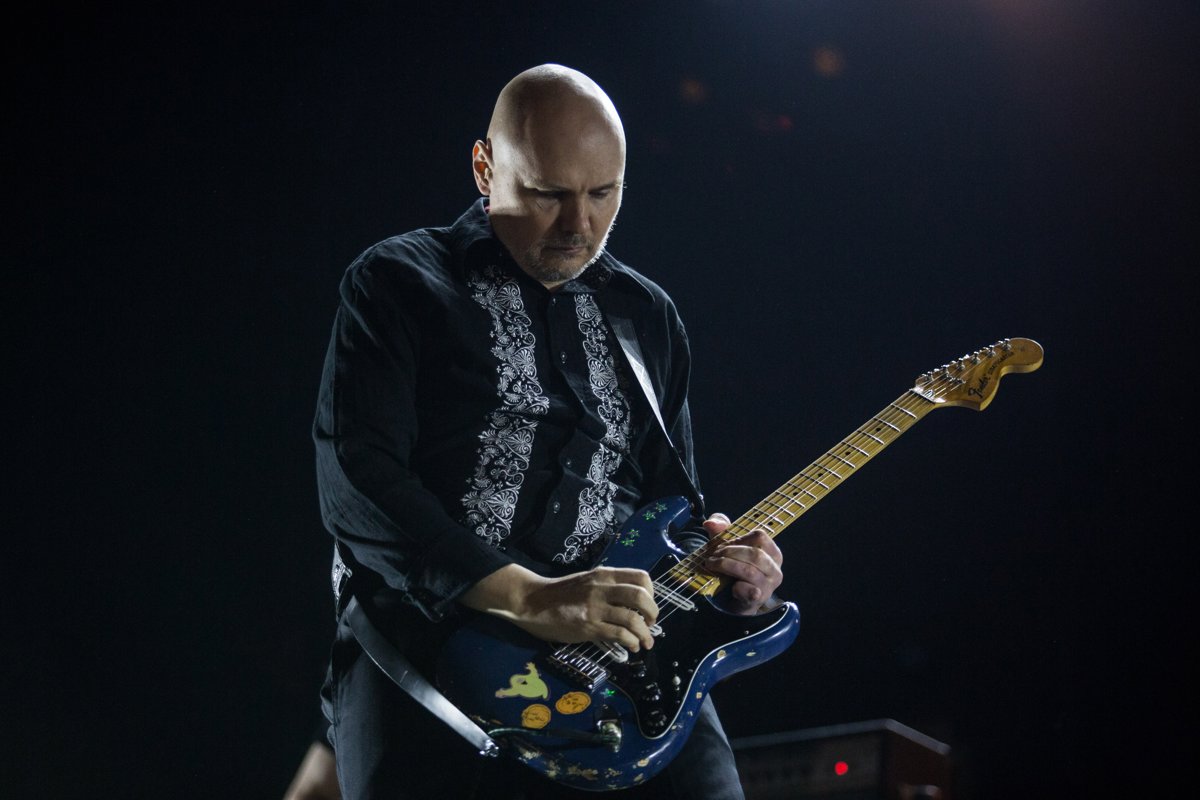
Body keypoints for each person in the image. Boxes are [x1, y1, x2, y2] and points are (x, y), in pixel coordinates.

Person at [310, 63, 784, 800]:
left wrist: (728, 578)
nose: (578, 225)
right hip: (432, 650)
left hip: (621, 669)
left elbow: (672, 504)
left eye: (603, 193)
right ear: (484, 168)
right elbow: (359, 484)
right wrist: (532, 597)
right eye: (548, 194)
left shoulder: (648, 315)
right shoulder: (397, 281)